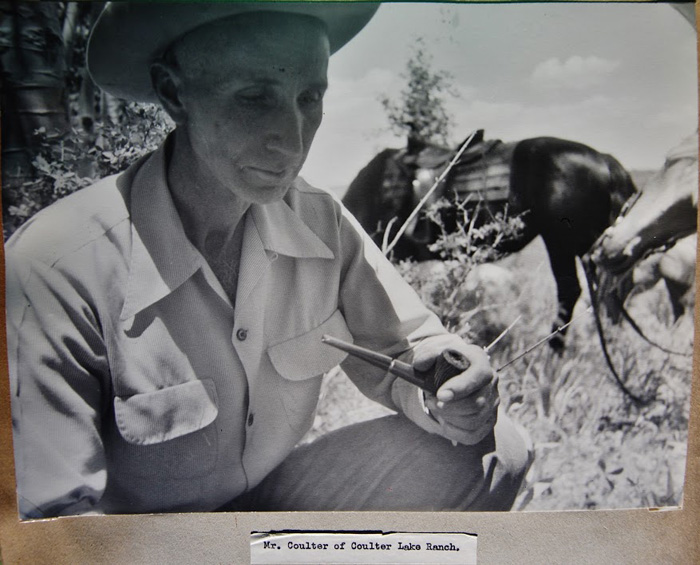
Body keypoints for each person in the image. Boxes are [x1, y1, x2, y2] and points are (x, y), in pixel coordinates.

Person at [5, 2, 531, 519]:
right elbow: (52, 528)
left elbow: (407, 347)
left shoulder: (320, 220)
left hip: (270, 508)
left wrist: (452, 385)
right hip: (144, 551)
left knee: (494, 450)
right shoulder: (52, 270)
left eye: (310, 97)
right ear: (173, 92)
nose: (293, 138)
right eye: (255, 97)